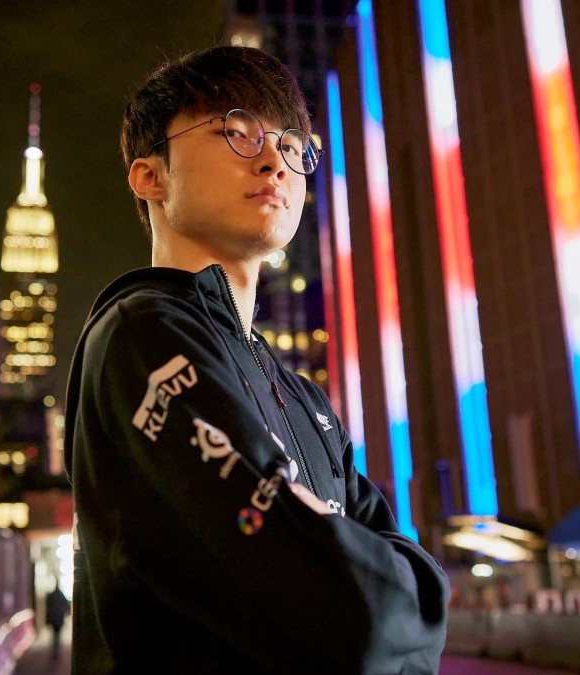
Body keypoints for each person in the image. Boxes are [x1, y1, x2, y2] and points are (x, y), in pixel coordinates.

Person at [64, 46, 450, 673]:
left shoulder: (304, 398)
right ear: (150, 176)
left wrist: (389, 583)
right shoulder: (141, 334)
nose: (274, 160)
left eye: (293, 145)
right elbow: (353, 611)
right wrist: (381, 578)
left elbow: (400, 597)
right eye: (235, 132)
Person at [44, 581, 71, 659]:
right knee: (58, 633)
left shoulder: (51, 595)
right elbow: (66, 606)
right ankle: (56, 646)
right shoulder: (61, 595)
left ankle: (55, 647)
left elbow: (47, 606)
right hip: (59, 617)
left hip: (53, 618)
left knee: (54, 633)